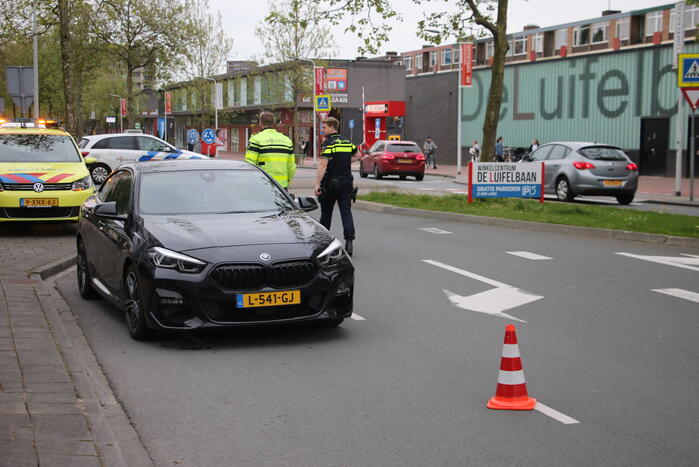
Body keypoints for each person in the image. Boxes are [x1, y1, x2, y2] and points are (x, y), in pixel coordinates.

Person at [315, 117, 358, 256]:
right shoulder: (346, 141)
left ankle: (323, 243)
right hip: (346, 183)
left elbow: (323, 165)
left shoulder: (329, 143)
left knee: (326, 213)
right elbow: (358, 154)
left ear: (332, 127)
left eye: (324, 127)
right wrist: (344, 161)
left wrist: (317, 184)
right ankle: (349, 243)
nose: (323, 130)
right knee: (346, 212)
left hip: (331, 183)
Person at [245, 112, 296, 189]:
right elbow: (291, 166)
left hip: (262, 185)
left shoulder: (256, 139)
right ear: (274, 123)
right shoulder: (287, 140)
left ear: (260, 123)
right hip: (282, 187)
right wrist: (287, 181)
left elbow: (250, 164)